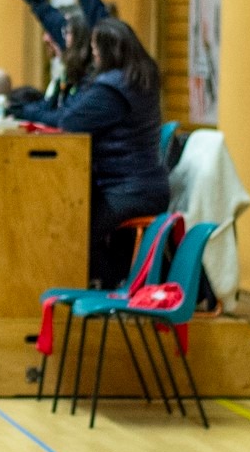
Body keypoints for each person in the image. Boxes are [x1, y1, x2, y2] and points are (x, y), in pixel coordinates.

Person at [20, 18, 170, 286]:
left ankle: (109, 287)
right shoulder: (139, 78)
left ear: (107, 50)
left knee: (72, 230)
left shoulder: (111, 89)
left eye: (95, 47)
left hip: (126, 189)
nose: (93, 53)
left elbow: (69, 120)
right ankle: (114, 280)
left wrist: (20, 110)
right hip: (143, 185)